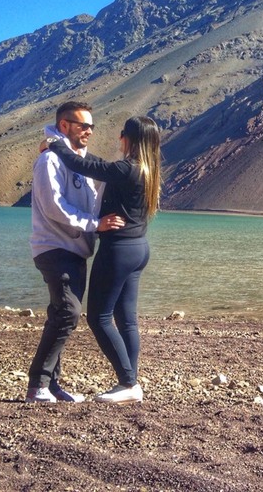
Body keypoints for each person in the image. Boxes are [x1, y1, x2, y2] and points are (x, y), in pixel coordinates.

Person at [45, 115, 162, 404]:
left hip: (119, 250)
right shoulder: (147, 170)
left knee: (99, 317)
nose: (119, 138)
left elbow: (84, 166)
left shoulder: (127, 168)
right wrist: (73, 150)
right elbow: (98, 166)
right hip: (138, 250)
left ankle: (128, 382)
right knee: (126, 319)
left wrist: (54, 145)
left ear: (130, 139)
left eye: (122, 133)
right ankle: (129, 382)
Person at [26, 101, 124, 403]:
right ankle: (38, 386)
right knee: (69, 312)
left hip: (75, 249)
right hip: (54, 247)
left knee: (60, 314)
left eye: (92, 126)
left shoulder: (78, 160)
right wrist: (96, 224)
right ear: (65, 125)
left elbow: (92, 195)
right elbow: (55, 207)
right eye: (84, 126)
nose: (90, 131)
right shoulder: (49, 162)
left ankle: (52, 385)